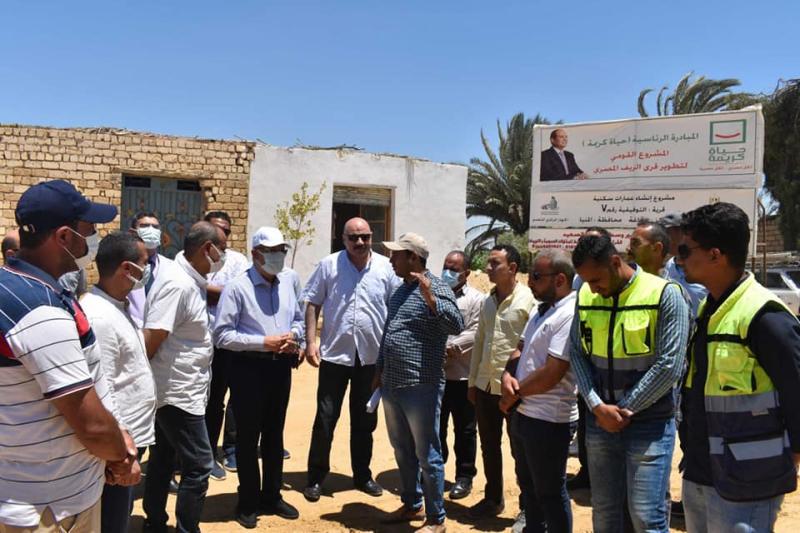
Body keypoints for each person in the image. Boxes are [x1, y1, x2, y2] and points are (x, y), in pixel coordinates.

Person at [0, 180, 138, 532]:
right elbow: (91, 426)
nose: (93, 238)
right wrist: (121, 456)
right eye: (88, 229)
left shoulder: (19, 286)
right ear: (64, 237)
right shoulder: (40, 311)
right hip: (49, 509)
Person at [678, 202, 800, 532]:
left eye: (685, 250)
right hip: (701, 470)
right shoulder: (709, 308)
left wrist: (788, 457)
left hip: (749, 480)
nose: (679, 259)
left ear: (715, 255)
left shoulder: (765, 316)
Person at [568, 233, 689, 533]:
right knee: (605, 512)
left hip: (649, 424)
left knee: (646, 516)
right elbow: (577, 353)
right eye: (587, 281)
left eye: (596, 280)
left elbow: (670, 366)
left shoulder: (665, 294)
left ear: (615, 262)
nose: (593, 289)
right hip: (600, 423)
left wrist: (623, 409)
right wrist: (597, 406)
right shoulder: (586, 296)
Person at [302, 217, 399, 502]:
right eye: (353, 237)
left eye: (365, 237)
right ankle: (316, 477)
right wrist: (311, 342)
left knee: (365, 421)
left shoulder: (386, 268)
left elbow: (395, 309)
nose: (360, 242)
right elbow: (313, 303)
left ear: (372, 237)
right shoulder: (329, 265)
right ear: (343, 239)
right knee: (325, 419)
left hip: (371, 359)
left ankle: (362, 475)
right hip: (335, 356)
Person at [213, 226, 304, 529]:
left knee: (275, 434)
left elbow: (298, 318)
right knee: (248, 437)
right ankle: (248, 500)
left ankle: (272, 495)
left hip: (280, 367)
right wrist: (263, 342)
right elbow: (222, 335)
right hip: (248, 369)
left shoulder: (288, 281)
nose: (278, 256)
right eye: (271, 251)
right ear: (255, 254)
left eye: (281, 250)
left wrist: (295, 337)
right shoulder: (237, 288)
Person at [375, 232, 464, 533]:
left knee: (427, 454)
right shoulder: (399, 291)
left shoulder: (437, 287)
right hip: (392, 383)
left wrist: (431, 300)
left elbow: (456, 324)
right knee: (402, 448)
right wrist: (379, 370)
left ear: (413, 258)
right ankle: (412, 503)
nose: (391, 260)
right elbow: (389, 332)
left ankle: (437, 518)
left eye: (397, 255)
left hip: (421, 385)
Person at [141, 221, 226, 533]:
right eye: (222, 249)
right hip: (176, 391)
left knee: (163, 457)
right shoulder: (178, 284)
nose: (224, 256)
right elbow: (152, 338)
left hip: (181, 387)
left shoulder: (189, 280)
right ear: (208, 249)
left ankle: (154, 523)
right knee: (200, 465)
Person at [81, 231, 157, 533]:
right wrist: (120, 452)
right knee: (112, 521)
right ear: (127, 268)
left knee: (119, 515)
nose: (148, 269)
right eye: (145, 262)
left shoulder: (117, 306)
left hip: (129, 439)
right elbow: (103, 389)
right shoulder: (99, 316)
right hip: (118, 447)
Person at [499, 249, 578, 533]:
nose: (529, 282)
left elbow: (553, 372)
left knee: (550, 493)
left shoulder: (569, 314)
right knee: (529, 489)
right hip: (524, 412)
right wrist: (507, 375)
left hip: (549, 420)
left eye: (536, 276)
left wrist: (514, 392)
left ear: (560, 279)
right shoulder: (541, 308)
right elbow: (520, 348)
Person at [467, 244, 535, 519]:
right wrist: (473, 382)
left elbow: (531, 346)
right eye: (488, 263)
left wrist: (521, 385)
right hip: (486, 386)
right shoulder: (488, 301)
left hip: (515, 389)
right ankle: (493, 499)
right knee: (489, 446)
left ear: (513, 268)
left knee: (522, 450)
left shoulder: (529, 300)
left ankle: (528, 508)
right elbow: (479, 341)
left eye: (495, 263)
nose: (488, 268)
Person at [204, 210, 251, 481]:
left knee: (238, 398)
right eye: (217, 229)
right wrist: (228, 294)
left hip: (234, 339)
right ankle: (209, 453)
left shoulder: (238, 260)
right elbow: (197, 287)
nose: (223, 234)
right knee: (213, 400)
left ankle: (232, 448)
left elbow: (243, 295)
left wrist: (214, 293)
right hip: (206, 340)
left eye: (226, 230)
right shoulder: (191, 257)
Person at [439, 250, 484, 500]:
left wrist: (447, 347)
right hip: (437, 376)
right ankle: (435, 471)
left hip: (464, 376)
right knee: (436, 427)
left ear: (466, 273)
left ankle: (464, 476)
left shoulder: (477, 299)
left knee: (465, 430)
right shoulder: (434, 294)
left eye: (454, 269)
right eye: (446, 266)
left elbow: (476, 332)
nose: (448, 272)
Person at [127, 211, 173, 327]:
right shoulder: (123, 266)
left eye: (155, 227)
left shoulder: (171, 267)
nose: (151, 230)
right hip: (130, 329)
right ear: (132, 232)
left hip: (161, 331)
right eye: (144, 226)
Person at [658, 213, 707, 319]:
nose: (663, 239)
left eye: (667, 233)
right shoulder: (669, 266)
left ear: (682, 232)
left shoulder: (703, 263)